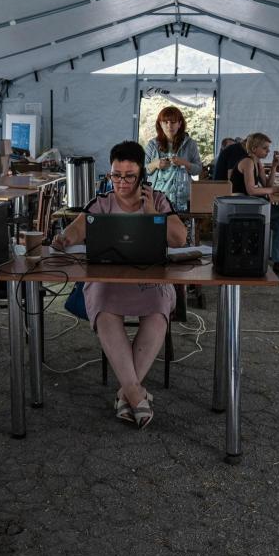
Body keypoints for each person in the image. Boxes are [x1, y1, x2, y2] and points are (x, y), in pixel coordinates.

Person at [52, 141, 187, 429]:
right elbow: (77, 229)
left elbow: (179, 239)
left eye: (129, 176)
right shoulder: (101, 202)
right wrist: (64, 238)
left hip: (149, 280)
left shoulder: (159, 200)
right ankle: (136, 394)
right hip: (108, 280)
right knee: (102, 304)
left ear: (142, 177)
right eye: (116, 175)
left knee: (159, 307)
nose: (121, 182)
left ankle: (126, 392)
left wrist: (152, 212)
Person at [227, 134, 279, 271]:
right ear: (254, 148)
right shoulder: (247, 162)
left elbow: (266, 184)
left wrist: (273, 167)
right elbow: (252, 190)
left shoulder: (257, 162)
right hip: (242, 206)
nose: (268, 151)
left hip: (251, 204)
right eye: (265, 148)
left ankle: (278, 261)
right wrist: (276, 189)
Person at [144, 106, 202, 212]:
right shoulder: (152, 144)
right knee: (158, 226)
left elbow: (198, 169)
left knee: (179, 227)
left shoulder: (190, 144)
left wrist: (184, 163)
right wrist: (155, 164)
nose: (169, 125)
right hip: (156, 199)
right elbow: (142, 170)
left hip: (181, 201)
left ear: (180, 124)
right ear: (160, 124)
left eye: (173, 122)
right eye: (165, 122)